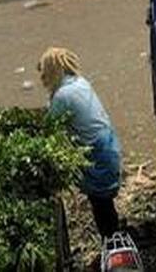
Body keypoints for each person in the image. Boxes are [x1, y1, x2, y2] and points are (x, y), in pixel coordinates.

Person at [38, 48, 122, 239]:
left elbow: (50, 128)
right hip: (110, 147)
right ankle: (113, 239)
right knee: (105, 205)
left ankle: (111, 246)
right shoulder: (80, 82)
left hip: (98, 156)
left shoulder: (62, 96)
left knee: (101, 209)